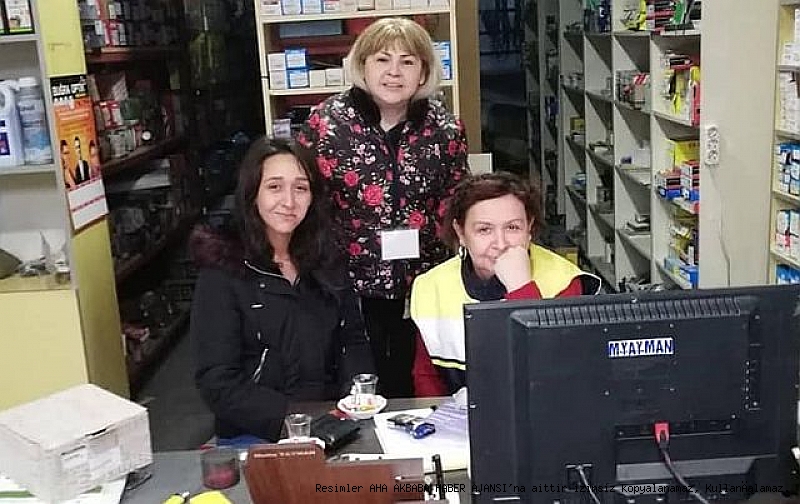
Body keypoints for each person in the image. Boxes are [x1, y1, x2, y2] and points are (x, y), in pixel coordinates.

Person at [299, 17, 469, 398]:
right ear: (362, 65)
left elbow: (457, 198)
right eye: (382, 60)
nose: (394, 72)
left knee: (418, 382)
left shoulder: (445, 128)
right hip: (348, 282)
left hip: (423, 283)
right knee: (358, 385)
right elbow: (308, 199)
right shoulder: (326, 124)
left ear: (423, 71)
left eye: (407, 61)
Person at [190, 137, 375, 443]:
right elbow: (217, 380)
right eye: (274, 187)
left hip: (331, 422)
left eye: (301, 188)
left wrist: (354, 400)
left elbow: (353, 340)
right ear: (252, 194)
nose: (289, 202)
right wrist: (296, 422)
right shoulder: (223, 270)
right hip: (256, 431)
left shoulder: (325, 259)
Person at [410, 172, 601, 396]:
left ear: (529, 228)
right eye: (484, 230)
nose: (500, 244)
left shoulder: (564, 281)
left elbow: (557, 378)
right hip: (460, 415)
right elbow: (427, 377)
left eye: (512, 228)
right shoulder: (431, 285)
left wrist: (521, 288)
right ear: (461, 233)